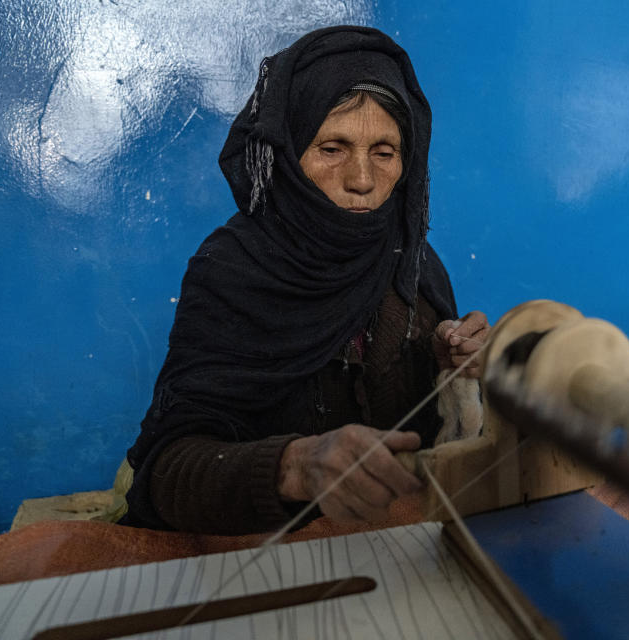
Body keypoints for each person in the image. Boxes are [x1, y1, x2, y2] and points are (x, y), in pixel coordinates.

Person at [123, 26, 488, 535]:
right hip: (264, 561)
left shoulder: (415, 265)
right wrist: (295, 466)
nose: (362, 178)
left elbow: (441, 442)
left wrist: (453, 373)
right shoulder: (232, 270)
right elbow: (165, 472)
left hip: (395, 555)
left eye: (385, 152)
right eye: (333, 147)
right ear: (289, 152)